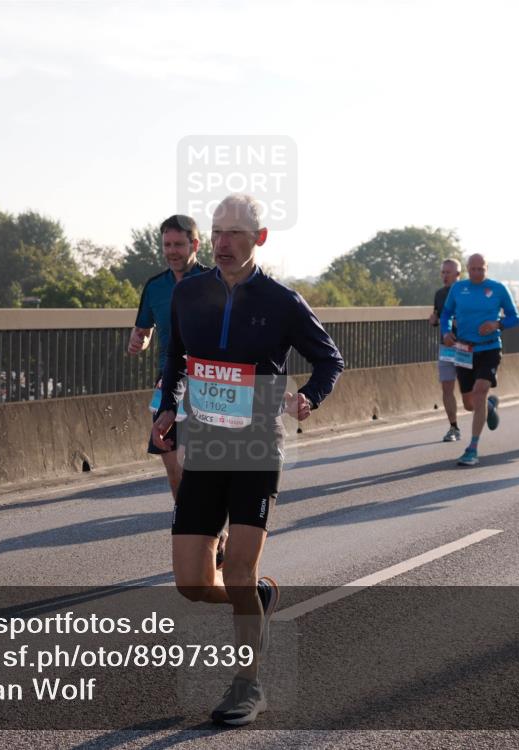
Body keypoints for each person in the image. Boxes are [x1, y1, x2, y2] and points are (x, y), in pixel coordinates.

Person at [152, 194, 344, 726]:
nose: (222, 242)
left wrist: (310, 396)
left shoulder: (281, 300)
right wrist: (167, 405)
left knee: (236, 569)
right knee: (191, 583)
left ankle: (247, 684)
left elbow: (330, 358)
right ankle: (255, 598)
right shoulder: (189, 292)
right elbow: (174, 356)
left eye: (235, 233)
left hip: (257, 444)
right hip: (206, 444)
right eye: (215, 232)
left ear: (259, 239)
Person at [128, 216, 226, 565]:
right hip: (167, 383)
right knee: (174, 467)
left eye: (179, 245)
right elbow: (145, 327)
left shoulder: (214, 281)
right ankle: (196, 531)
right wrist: (139, 338)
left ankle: (214, 535)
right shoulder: (155, 286)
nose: (172, 251)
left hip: (210, 383)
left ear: (195, 246)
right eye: (167, 245)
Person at [439, 253, 519, 466]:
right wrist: (446, 332)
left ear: (487, 268)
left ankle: (472, 448)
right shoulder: (458, 289)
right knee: (469, 404)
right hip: (464, 350)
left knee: (480, 390)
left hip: (490, 348)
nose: (476, 273)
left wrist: (497, 325)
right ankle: (489, 407)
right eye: (473, 269)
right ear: (467, 269)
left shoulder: (498, 288)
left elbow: (514, 318)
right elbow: (446, 314)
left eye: (480, 269)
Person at [430, 258, 463, 442]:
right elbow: (438, 315)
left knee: (471, 394)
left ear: (458, 275)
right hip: (446, 347)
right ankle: (453, 427)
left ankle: (487, 406)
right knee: (447, 387)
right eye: (442, 272)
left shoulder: (466, 292)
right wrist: (434, 320)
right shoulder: (439, 294)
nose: (444, 276)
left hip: (466, 346)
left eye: (448, 272)